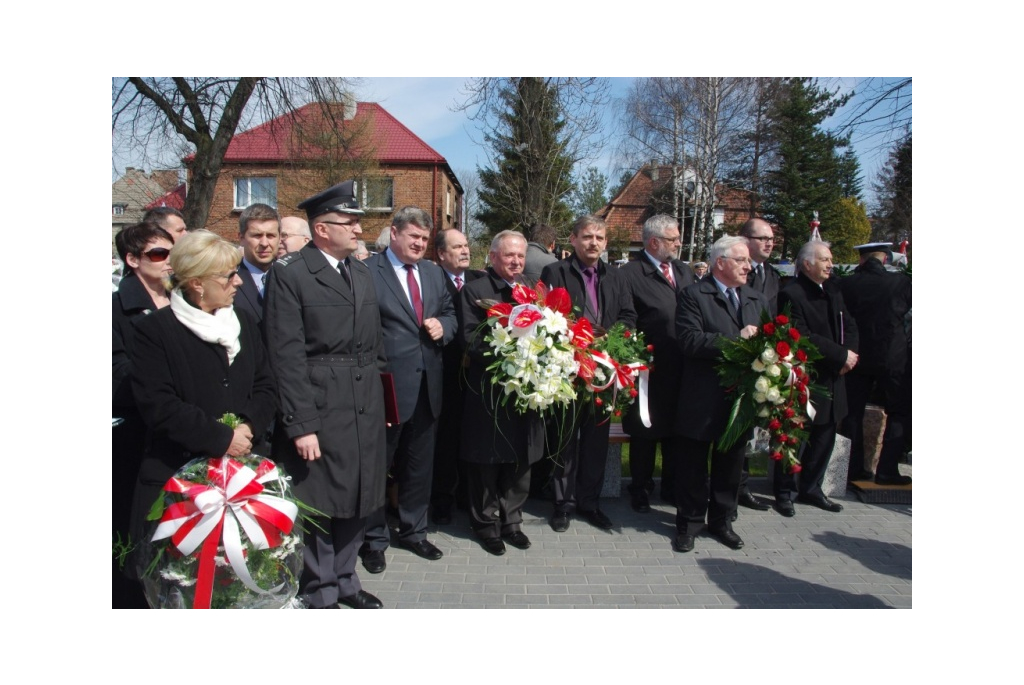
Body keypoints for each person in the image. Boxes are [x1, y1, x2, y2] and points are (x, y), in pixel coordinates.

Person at [128, 230, 277, 602]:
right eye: (228, 275)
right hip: (178, 481)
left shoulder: (242, 320)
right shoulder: (153, 331)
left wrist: (248, 426)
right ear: (196, 284)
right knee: (182, 590)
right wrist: (221, 438)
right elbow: (159, 405)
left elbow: (266, 385)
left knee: (238, 585)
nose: (238, 281)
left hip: (242, 475)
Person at [264, 180, 388, 609]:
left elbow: (377, 344)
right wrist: (301, 424)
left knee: (360, 492)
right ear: (321, 229)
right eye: (349, 222)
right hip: (320, 403)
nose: (357, 229)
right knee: (319, 499)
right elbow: (286, 355)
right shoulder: (292, 274)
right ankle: (320, 588)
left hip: (363, 402)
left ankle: (346, 578)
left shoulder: (360, 271)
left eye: (357, 222)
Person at [361, 207, 456, 573]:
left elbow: (450, 313)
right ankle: (373, 539)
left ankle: (414, 531)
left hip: (427, 386)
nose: (418, 243)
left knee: (419, 465)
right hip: (385, 388)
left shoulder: (433, 273)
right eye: (412, 236)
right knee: (378, 467)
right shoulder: (369, 272)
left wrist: (443, 327)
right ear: (394, 233)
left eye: (423, 238)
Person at [670, 236, 770, 553]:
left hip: (740, 398)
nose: (748, 265)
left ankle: (722, 522)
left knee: (731, 465)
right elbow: (690, 340)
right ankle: (689, 524)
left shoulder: (756, 299)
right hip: (702, 396)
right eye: (741, 260)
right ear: (720, 262)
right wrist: (736, 341)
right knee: (693, 466)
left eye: (748, 261)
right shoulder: (694, 295)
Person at [540, 215, 637, 532]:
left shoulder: (618, 277)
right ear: (574, 239)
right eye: (586, 236)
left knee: (596, 439)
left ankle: (589, 503)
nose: (593, 242)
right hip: (569, 368)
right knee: (564, 438)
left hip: (604, 370)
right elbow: (548, 317)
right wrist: (578, 337)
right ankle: (563, 504)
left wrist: (611, 338)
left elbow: (628, 316)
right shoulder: (555, 272)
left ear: (606, 242)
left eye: (599, 237)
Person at [459, 230, 544, 555]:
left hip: (527, 391)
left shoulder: (533, 291)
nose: (516, 261)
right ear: (493, 256)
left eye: (520, 256)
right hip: (490, 392)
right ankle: (486, 524)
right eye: (509, 255)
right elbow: (469, 338)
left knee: (520, 458)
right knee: (487, 459)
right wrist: (512, 351)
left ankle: (512, 521)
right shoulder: (475, 290)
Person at [112, 221, 174, 608]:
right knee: (133, 531)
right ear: (133, 260)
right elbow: (117, 372)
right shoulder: (117, 308)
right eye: (157, 254)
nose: (167, 262)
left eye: (171, 252)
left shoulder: (182, 298)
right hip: (137, 433)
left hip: (178, 432)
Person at [774, 241, 859, 516]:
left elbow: (849, 324)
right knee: (795, 435)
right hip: (808, 377)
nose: (830, 264)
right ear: (807, 263)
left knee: (825, 435)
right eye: (824, 259)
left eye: (830, 259)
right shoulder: (791, 293)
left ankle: (811, 488)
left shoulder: (833, 289)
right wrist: (840, 356)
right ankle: (784, 491)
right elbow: (801, 335)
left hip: (836, 374)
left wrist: (851, 354)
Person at [619, 214, 695, 513]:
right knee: (644, 433)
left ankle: (671, 486)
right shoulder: (630, 273)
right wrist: (635, 354)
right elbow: (625, 317)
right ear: (654, 241)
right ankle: (640, 487)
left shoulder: (684, 270)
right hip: (648, 368)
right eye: (673, 239)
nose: (678, 243)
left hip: (683, 366)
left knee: (676, 432)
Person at [839, 242, 912, 485]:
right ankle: (887, 469)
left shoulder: (847, 284)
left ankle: (853, 469)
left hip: (857, 356)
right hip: (893, 357)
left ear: (861, 260)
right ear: (884, 259)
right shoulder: (900, 283)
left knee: (852, 413)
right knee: (899, 411)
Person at [431, 228, 484, 524]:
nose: (465, 250)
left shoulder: (478, 281)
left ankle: (468, 494)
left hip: (475, 378)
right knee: (446, 443)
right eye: (457, 247)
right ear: (441, 254)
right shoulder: (432, 282)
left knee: (471, 438)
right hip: (445, 375)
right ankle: (442, 500)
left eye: (466, 245)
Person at [735, 217, 784, 513]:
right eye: (762, 238)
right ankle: (736, 485)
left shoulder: (772, 275)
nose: (768, 243)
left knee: (757, 427)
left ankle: (744, 485)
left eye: (771, 239)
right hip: (739, 359)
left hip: (764, 360)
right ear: (745, 239)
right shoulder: (738, 273)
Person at [233, 203, 280, 330]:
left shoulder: (292, 277)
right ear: (241, 238)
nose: (264, 243)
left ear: (279, 238)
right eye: (257, 236)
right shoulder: (229, 280)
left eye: (270, 236)